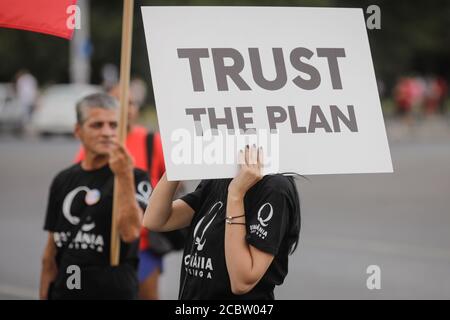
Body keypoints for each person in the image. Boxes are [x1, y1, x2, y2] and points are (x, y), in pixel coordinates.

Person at [143, 145, 301, 299]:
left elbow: (242, 282)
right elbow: (155, 220)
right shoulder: (221, 175)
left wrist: (236, 195)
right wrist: (176, 167)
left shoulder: (275, 188)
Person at [39, 93, 149, 299]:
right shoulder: (62, 180)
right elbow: (50, 254)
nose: (107, 132)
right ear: (78, 131)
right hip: (66, 290)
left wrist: (124, 176)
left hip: (112, 292)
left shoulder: (136, 177)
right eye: (97, 125)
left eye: (113, 125)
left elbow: (131, 232)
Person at [74, 85, 167, 300]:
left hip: (143, 245)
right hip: (104, 244)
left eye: (131, 103)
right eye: (118, 101)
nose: (126, 108)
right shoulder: (97, 142)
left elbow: (170, 179)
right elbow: (79, 180)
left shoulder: (151, 141)